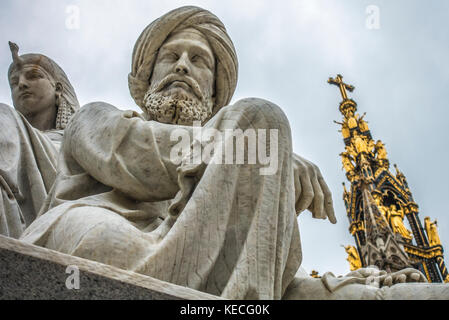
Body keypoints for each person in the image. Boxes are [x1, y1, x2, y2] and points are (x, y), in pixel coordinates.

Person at [21, 6, 426, 300]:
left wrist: (358, 285)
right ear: (147, 77)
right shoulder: (96, 117)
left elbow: (268, 270)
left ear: (214, 92)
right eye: (170, 56)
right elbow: (150, 157)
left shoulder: (239, 167)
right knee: (263, 116)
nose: (182, 67)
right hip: (96, 240)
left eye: (198, 61)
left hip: (223, 284)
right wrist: (253, 143)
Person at [0, 42, 79, 238]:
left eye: (34, 76)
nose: (22, 84)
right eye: (14, 82)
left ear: (58, 89)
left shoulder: (78, 138)